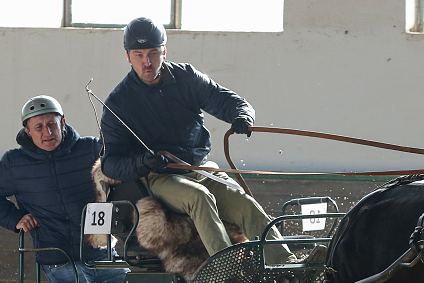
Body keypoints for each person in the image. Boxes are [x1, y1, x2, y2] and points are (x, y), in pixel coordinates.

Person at [100, 16, 302, 265]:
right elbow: (110, 164)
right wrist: (142, 162)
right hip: (161, 177)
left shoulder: (186, 77)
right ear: (128, 57)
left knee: (244, 203)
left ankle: (288, 266)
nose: (147, 62)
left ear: (164, 51)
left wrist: (242, 115)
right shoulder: (118, 103)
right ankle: (227, 270)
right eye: (139, 55)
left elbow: (226, 100)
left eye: (153, 53)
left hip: (200, 168)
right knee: (199, 197)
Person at [0, 96, 129, 283]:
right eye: (38, 127)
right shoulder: (15, 163)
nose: (47, 132)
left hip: (102, 253)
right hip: (58, 259)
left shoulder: (90, 149)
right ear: (27, 131)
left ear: (62, 123)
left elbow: (121, 166)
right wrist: (16, 218)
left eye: (51, 124)